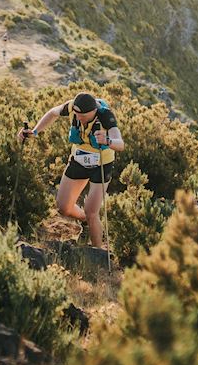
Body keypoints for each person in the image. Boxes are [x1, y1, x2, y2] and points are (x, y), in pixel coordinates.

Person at [19, 92, 126, 249]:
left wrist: (107, 140)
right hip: (79, 159)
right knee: (63, 207)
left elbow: (120, 144)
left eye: (83, 116)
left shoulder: (105, 116)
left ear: (94, 111)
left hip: (102, 164)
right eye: (77, 114)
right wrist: (34, 132)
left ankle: (99, 254)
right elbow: (52, 113)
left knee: (92, 212)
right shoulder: (71, 107)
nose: (79, 118)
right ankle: (85, 220)